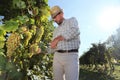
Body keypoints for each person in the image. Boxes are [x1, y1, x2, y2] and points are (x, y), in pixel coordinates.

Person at [48, 5, 80, 80]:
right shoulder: (55, 30)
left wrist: (58, 39)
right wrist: (42, 50)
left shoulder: (71, 20)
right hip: (57, 57)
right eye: (53, 18)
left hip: (71, 56)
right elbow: (52, 48)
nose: (54, 20)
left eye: (55, 17)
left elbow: (75, 31)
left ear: (61, 13)